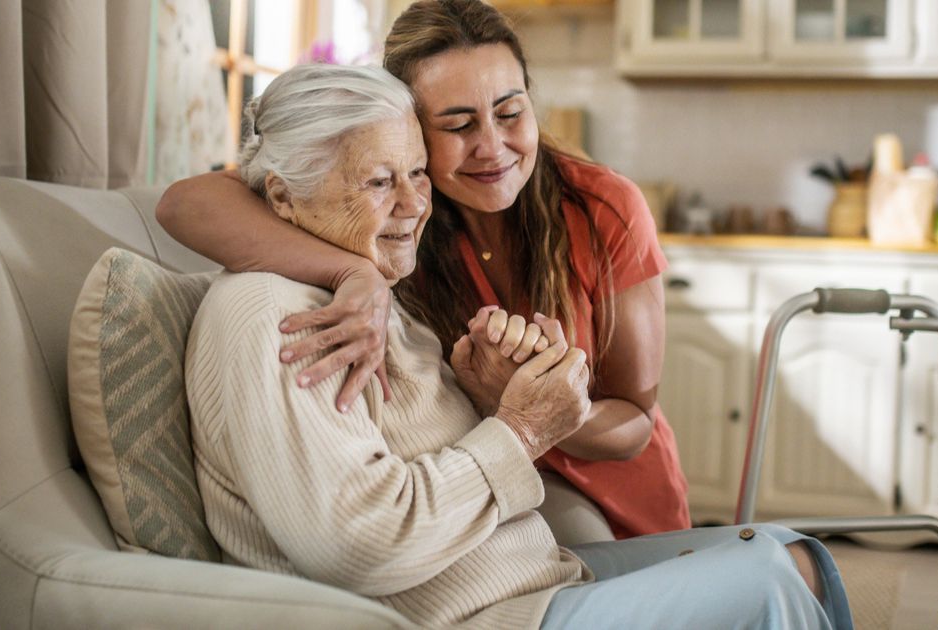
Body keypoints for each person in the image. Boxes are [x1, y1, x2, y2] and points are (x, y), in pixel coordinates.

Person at [186, 62, 852, 629]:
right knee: (770, 575)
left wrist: (493, 388)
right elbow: (360, 543)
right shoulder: (275, 317)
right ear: (282, 195)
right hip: (483, 617)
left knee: (792, 551)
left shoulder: (364, 290)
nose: (415, 204)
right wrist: (523, 427)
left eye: (417, 174)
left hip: (530, 580)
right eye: (378, 181)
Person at [158, 0, 687, 542]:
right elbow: (184, 204)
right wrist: (353, 274)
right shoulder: (399, 219)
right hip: (489, 495)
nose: (492, 147)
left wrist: (538, 408)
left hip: (621, 501)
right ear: (409, 127)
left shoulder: (603, 207)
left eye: (510, 113)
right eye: (457, 124)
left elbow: (636, 424)